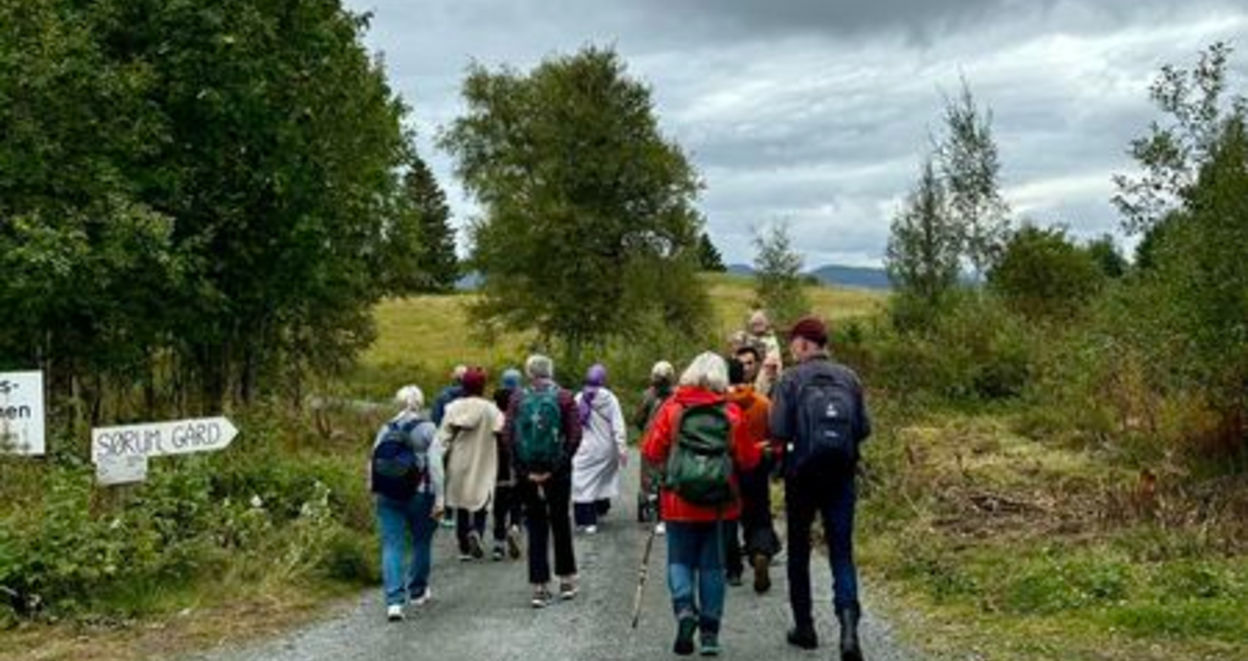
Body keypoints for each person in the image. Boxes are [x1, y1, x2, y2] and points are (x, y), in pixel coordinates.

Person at [642, 352, 761, 657]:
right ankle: (709, 635)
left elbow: (652, 451)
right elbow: (748, 460)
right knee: (712, 567)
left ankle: (684, 612)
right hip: (720, 504)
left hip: (678, 499)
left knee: (679, 560)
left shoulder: (673, 408)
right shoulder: (731, 412)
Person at [770, 316, 871, 661]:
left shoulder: (790, 380)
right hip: (841, 476)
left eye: (793, 343)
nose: (791, 349)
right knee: (841, 551)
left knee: (799, 550)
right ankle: (848, 630)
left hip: (802, 477)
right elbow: (863, 428)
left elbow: (779, 429)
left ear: (803, 344)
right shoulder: (850, 378)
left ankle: (805, 628)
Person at [504, 354, 583, 608]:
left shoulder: (517, 397)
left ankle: (539, 587)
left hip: (528, 471)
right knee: (560, 520)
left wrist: (524, 470)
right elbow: (575, 435)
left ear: (529, 373)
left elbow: (508, 436)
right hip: (557, 472)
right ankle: (567, 581)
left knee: (535, 524)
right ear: (551, 371)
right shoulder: (565, 397)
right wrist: (558, 466)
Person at [370, 386, 444, 622]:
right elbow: (435, 465)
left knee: (392, 545)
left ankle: (394, 603)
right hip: (421, 494)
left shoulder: (386, 428)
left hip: (388, 495)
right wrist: (441, 498)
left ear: (397, 403)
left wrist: (374, 489)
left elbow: (373, 460)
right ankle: (418, 591)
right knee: (421, 542)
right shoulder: (428, 429)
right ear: (420, 404)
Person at [725, 351, 781, 593]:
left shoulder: (720, 406)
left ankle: (733, 569)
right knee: (758, 515)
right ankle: (759, 552)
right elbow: (776, 437)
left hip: (728, 468)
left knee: (727, 517)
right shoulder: (762, 403)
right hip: (757, 466)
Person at [436, 367, 503, 562]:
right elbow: (501, 428)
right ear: (483, 386)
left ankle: (464, 548)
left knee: (461, 504)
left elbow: (443, 437)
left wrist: (438, 459)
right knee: (481, 500)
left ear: (463, 385)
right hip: (484, 459)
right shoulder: (491, 408)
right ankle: (477, 533)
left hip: (458, 460)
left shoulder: (453, 407)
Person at [572, 364, 628, 533]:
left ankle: (585, 521)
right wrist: (621, 447)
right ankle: (598, 510)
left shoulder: (579, 397)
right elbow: (618, 424)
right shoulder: (610, 398)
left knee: (582, 483)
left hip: (586, 448)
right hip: (606, 448)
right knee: (599, 479)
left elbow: (574, 425)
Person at [634, 360, 675, 533]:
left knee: (648, 476)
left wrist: (644, 428)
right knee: (665, 475)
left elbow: (638, 419)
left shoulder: (648, 395)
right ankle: (662, 508)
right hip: (669, 442)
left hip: (651, 440)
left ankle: (649, 499)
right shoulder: (676, 395)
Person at [490, 368, 525, 561]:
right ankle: (515, 527)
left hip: (497, 462)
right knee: (516, 501)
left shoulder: (494, 404)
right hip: (517, 460)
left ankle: (498, 543)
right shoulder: (523, 401)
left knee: (499, 504)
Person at [432, 364, 468, 529]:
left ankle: (447, 514)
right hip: (466, 443)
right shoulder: (472, 398)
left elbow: (435, 420)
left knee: (445, 476)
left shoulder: (442, 396)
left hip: (446, 441)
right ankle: (465, 512)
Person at [746, 310, 784, 396]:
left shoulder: (771, 340)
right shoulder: (747, 339)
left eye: (760, 323)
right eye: (755, 324)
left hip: (766, 379)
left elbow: (773, 361)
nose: (757, 327)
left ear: (766, 324)